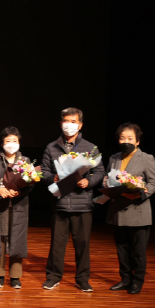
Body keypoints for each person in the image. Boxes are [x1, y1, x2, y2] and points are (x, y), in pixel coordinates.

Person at [40, 107, 104, 292]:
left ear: (80, 125)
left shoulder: (90, 147)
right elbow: (44, 171)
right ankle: (53, 277)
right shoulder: (51, 147)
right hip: (60, 203)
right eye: (66, 121)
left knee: (82, 245)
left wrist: (89, 181)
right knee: (57, 244)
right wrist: (52, 178)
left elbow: (100, 171)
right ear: (61, 124)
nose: (70, 125)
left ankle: (82, 279)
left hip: (82, 203)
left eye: (73, 122)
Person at [105, 123, 155, 294]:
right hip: (118, 210)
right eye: (122, 138)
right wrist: (107, 184)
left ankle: (137, 281)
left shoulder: (146, 158)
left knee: (138, 251)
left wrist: (140, 194)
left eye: (130, 138)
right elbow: (108, 178)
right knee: (122, 249)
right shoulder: (114, 158)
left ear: (137, 141)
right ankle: (125, 279)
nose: (126, 141)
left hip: (138, 211)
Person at [0, 127, 33, 289]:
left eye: (14, 141)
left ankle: (15, 276)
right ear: (2, 143)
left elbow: (30, 183)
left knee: (17, 238)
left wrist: (18, 191)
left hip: (18, 205)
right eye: (8, 141)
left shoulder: (25, 160)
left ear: (19, 142)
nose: (11, 144)